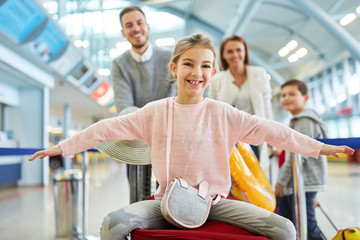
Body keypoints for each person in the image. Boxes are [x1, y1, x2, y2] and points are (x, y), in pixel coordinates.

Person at [28, 33, 354, 240]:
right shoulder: (155, 112)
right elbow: (105, 129)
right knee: (113, 224)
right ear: (174, 68)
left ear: (213, 73)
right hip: (165, 202)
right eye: (188, 64)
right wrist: (61, 148)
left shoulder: (225, 113)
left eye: (205, 66)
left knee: (285, 229)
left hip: (217, 203)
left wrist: (320, 148)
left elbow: (275, 132)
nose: (196, 73)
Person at [111, 5, 176, 202]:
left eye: (139, 23)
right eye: (129, 25)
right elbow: (125, 108)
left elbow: (177, 101)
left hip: (169, 142)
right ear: (123, 33)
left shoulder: (169, 58)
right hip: (136, 143)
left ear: (147, 27)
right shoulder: (119, 64)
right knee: (138, 198)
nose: (135, 29)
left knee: (169, 199)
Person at [275, 79, 329, 240]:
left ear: (306, 98)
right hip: (301, 183)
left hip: (300, 183)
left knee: (305, 226)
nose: (286, 98)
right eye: (283, 95)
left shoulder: (304, 120)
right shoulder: (298, 120)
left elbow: (299, 154)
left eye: (292, 94)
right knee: (294, 222)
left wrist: (281, 182)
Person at [208, 35, 272, 165]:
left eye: (238, 50)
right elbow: (212, 111)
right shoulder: (217, 79)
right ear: (223, 55)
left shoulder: (259, 74)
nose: (235, 54)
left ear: (245, 52)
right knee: (231, 177)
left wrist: (271, 135)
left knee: (255, 176)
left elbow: (266, 105)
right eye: (229, 51)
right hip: (228, 138)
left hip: (254, 135)